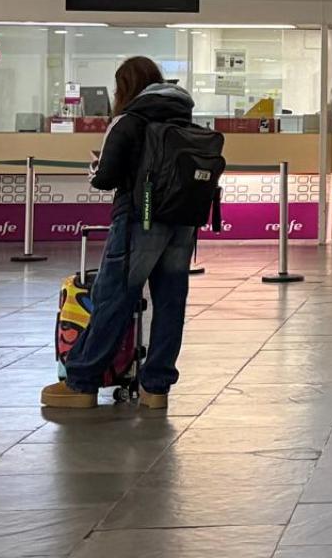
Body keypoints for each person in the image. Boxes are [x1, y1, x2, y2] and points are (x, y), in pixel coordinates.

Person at [42, 56, 199, 409]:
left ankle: (81, 383)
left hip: (138, 220)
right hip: (183, 221)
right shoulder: (185, 117)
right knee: (171, 302)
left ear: (124, 86)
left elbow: (107, 178)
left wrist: (95, 168)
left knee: (114, 297)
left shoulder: (129, 120)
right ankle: (156, 388)